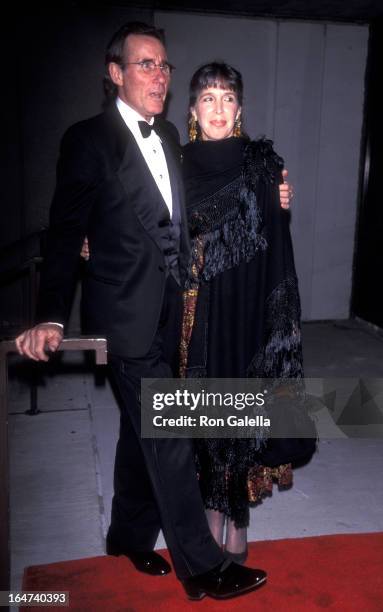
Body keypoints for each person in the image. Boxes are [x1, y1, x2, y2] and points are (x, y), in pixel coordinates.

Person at [15, 23, 270, 601]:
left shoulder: (174, 140)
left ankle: (127, 535)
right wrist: (52, 315)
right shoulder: (87, 140)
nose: (159, 76)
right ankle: (204, 568)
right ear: (115, 74)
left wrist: (271, 188)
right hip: (124, 315)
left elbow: (198, 201)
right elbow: (63, 234)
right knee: (171, 434)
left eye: (164, 66)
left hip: (172, 314)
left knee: (140, 432)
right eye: (145, 64)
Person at [179, 62, 304, 563]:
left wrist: (280, 200)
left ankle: (237, 515)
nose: (217, 108)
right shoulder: (177, 163)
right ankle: (211, 510)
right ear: (192, 110)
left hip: (248, 305)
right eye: (207, 98)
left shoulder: (261, 164)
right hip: (196, 310)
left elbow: (276, 241)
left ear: (240, 110)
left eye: (227, 98)